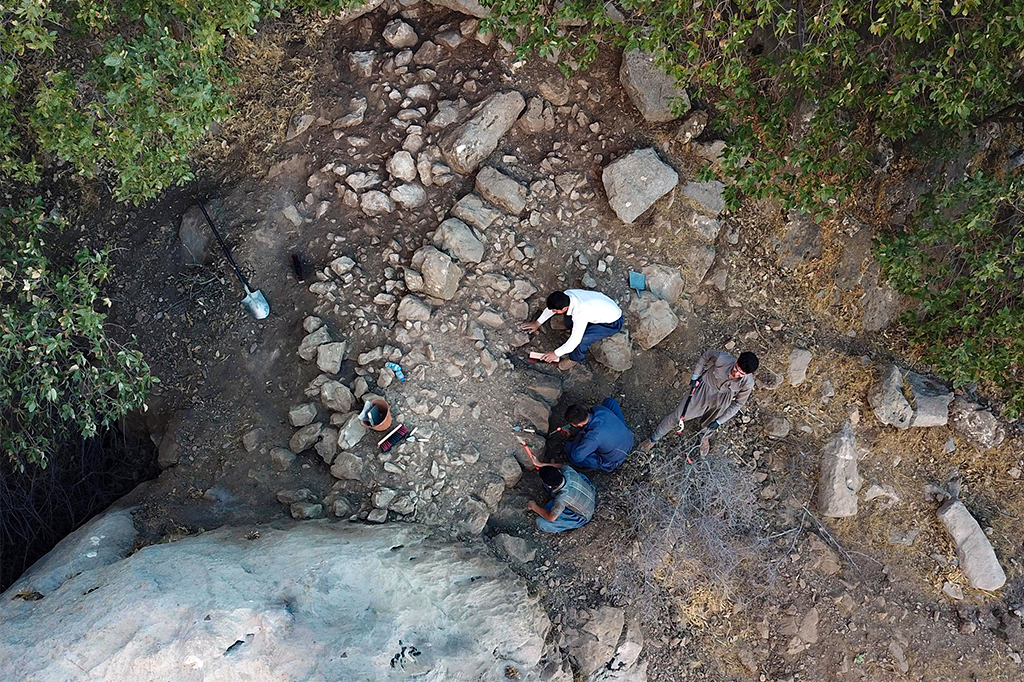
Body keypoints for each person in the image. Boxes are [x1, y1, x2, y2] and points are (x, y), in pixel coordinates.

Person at [639, 350, 759, 456]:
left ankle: (704, 437)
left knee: (710, 423)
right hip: (703, 389)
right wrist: (695, 376)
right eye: (736, 368)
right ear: (736, 360)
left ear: (748, 374)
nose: (736, 374)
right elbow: (706, 356)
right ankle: (653, 439)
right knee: (678, 417)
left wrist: (719, 421)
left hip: (722, 399)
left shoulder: (748, 384)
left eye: (741, 374)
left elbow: (738, 403)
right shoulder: (722, 358)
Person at [520, 289, 624, 370]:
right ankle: (579, 326)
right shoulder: (567, 295)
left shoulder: (581, 313)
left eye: (556, 311)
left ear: (565, 308)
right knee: (569, 321)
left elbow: (575, 341)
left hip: (612, 322)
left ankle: (574, 359)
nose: (553, 312)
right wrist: (537, 323)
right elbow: (551, 308)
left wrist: (555, 354)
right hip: (600, 308)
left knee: (582, 340)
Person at [563, 398, 634, 472]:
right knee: (609, 402)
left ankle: (585, 467)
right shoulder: (598, 409)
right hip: (629, 438)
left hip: (615, 459)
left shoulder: (592, 437)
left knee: (570, 450)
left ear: (578, 425)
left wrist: (576, 436)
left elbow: (577, 457)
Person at [526, 462, 597, 533]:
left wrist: (533, 506)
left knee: (541, 522)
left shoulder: (561, 499)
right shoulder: (568, 471)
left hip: (584, 515)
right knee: (580, 476)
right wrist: (541, 464)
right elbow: (562, 466)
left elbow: (551, 517)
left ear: (550, 486)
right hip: (588, 495)